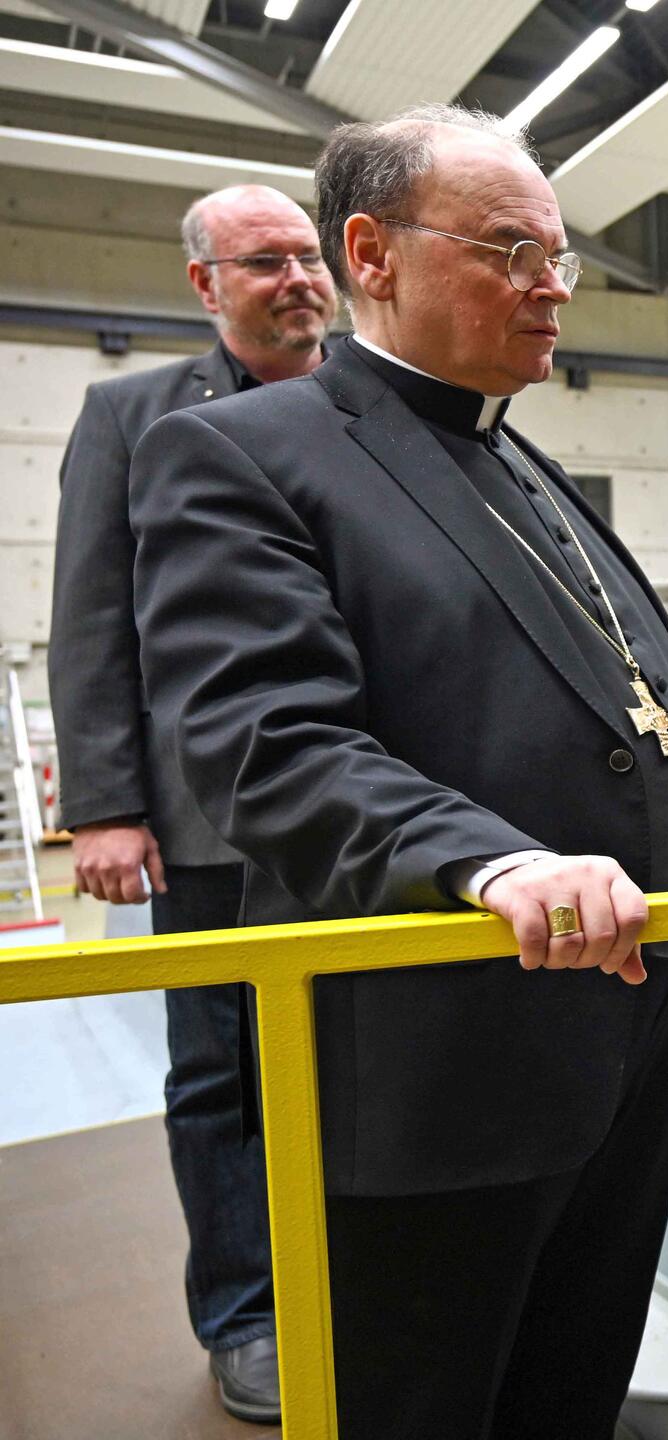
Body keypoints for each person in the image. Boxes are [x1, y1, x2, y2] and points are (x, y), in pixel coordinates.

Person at [127, 104, 668, 1438]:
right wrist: (489, 859)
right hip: (442, 1060)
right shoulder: (245, 455)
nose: (552, 287)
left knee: (572, 1389)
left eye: (559, 256)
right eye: (509, 252)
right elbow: (268, 743)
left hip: (625, 1026)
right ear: (372, 253)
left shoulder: (518, 456)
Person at [48, 182, 336, 1423]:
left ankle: (351, 1278)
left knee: (359, 1065)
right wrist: (107, 806)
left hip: (360, 818)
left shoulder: (368, 404)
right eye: (264, 261)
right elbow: (90, 616)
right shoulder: (133, 417)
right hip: (207, 824)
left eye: (309, 255)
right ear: (204, 284)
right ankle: (246, 1314)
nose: (298, 279)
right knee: (221, 1076)